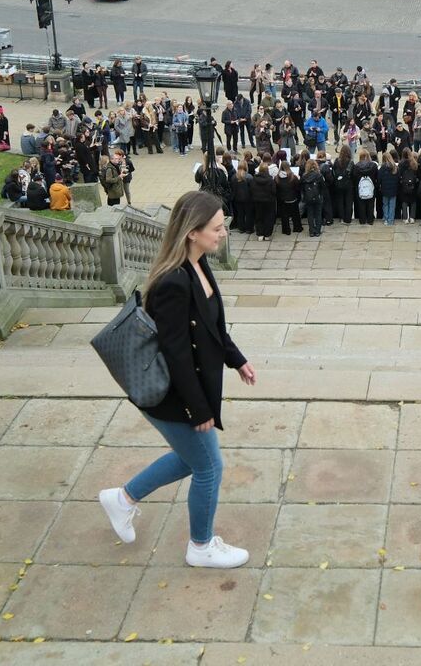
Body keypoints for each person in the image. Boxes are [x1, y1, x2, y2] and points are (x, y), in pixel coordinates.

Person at [99, 192, 256, 569]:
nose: (223, 233)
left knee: (192, 460)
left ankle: (122, 499)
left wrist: (237, 360)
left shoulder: (199, 265)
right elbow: (176, 354)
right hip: (170, 395)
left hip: (185, 391)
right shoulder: (173, 283)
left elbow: (212, 327)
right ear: (192, 232)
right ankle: (200, 547)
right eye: (217, 228)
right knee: (208, 468)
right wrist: (197, 408)